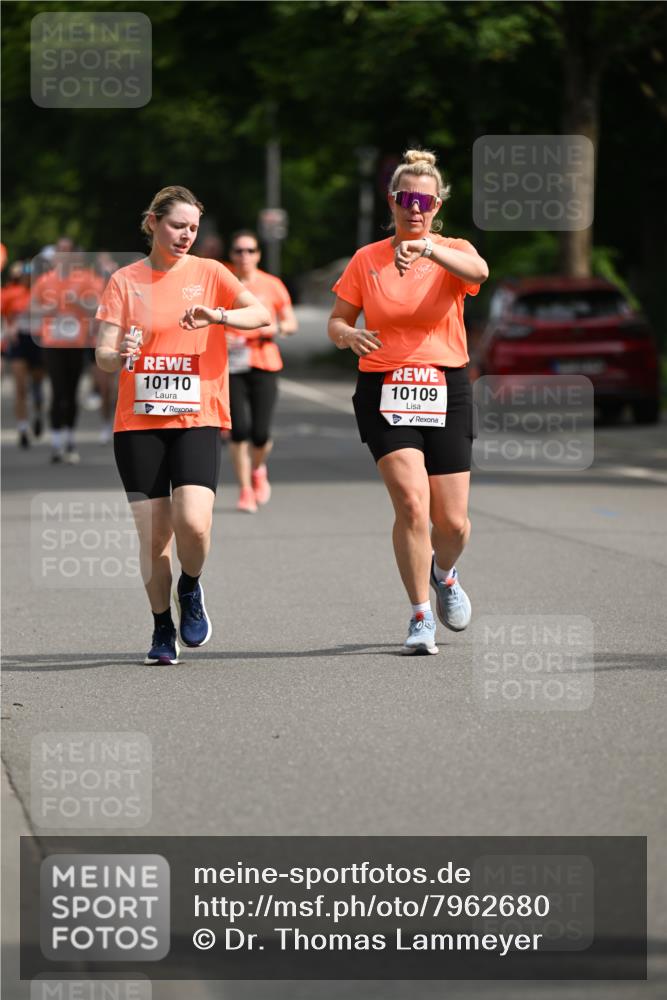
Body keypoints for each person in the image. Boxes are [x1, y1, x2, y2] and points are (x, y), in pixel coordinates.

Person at [95, 186, 271, 665]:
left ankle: (190, 587)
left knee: (193, 523)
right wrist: (118, 353)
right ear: (153, 222)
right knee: (154, 538)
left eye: (192, 228)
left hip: (197, 414)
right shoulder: (125, 281)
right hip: (138, 422)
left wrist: (218, 314)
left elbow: (261, 313)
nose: (186, 235)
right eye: (177, 225)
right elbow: (103, 353)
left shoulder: (211, 273)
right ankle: (160, 627)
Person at [328, 149, 489, 655]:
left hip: (446, 386)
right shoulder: (367, 259)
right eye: (405, 199)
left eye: (424, 201)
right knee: (412, 504)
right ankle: (420, 615)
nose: (414, 208)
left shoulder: (452, 251)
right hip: (385, 386)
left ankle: (445, 573)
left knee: (453, 523)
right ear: (392, 201)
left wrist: (428, 251)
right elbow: (337, 320)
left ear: (437, 206)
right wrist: (347, 336)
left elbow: (480, 272)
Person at [225, 230, 297, 512]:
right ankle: (245, 490)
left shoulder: (272, 284)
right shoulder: (223, 283)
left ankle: (257, 469)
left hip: (264, 361)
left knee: (260, 433)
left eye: (250, 250)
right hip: (231, 365)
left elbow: (290, 323)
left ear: (258, 254)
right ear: (232, 254)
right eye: (239, 251)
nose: (244, 256)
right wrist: (221, 338)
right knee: (238, 430)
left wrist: (273, 328)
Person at [31, 238, 104, 463]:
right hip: (52, 343)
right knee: (57, 390)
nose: (62, 255)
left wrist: (79, 302)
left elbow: (98, 307)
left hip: (76, 342)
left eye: (67, 251)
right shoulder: (45, 280)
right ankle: (56, 444)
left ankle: (70, 440)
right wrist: (49, 308)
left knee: (72, 392)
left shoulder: (86, 278)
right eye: (59, 251)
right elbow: (32, 307)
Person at [1, 260, 45, 447]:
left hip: (38, 341)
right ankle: (22, 428)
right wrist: (7, 330)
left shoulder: (43, 293)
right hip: (19, 341)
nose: (28, 279)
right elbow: (4, 316)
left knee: (37, 384)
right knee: (20, 387)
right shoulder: (11, 293)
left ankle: (38, 413)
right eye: (25, 276)